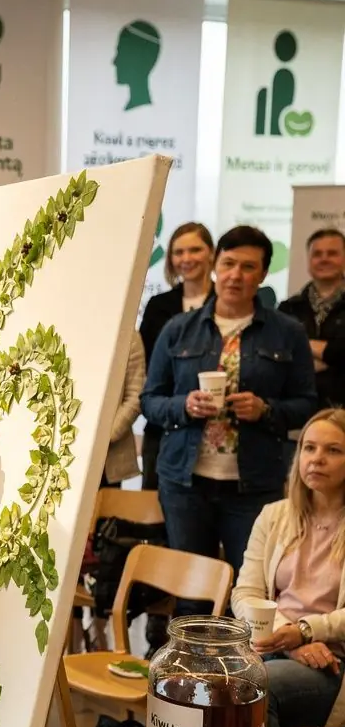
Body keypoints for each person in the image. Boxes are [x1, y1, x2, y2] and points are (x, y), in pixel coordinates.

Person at [142, 225, 317, 598]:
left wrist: (266, 410)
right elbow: (151, 400)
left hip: (254, 485)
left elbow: (307, 405)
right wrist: (185, 406)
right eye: (229, 263)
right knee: (191, 596)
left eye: (248, 267)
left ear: (264, 273)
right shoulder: (178, 329)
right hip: (184, 483)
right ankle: (189, 658)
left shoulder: (287, 333)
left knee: (250, 594)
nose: (236, 275)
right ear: (216, 265)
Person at [233, 409, 345, 727]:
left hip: (332, 662)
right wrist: (287, 635)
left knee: (250, 686)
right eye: (309, 448)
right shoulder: (274, 515)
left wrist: (308, 631)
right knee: (203, 680)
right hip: (272, 645)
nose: (317, 459)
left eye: (333, 450)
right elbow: (244, 593)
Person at [139, 222, 215, 491]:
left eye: (195, 250)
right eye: (178, 252)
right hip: (162, 428)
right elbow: (146, 366)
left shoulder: (227, 304)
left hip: (215, 433)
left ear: (211, 254)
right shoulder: (159, 307)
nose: (186, 258)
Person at [280, 228, 345, 408]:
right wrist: (333, 358)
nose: (324, 259)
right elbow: (280, 358)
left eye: (332, 253)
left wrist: (302, 345)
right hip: (298, 412)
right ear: (309, 261)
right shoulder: (288, 308)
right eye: (317, 254)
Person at [103, 331, 144, 485]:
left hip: (109, 455)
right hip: (62, 448)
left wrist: (105, 437)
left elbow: (135, 397)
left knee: (105, 507)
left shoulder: (128, 336)